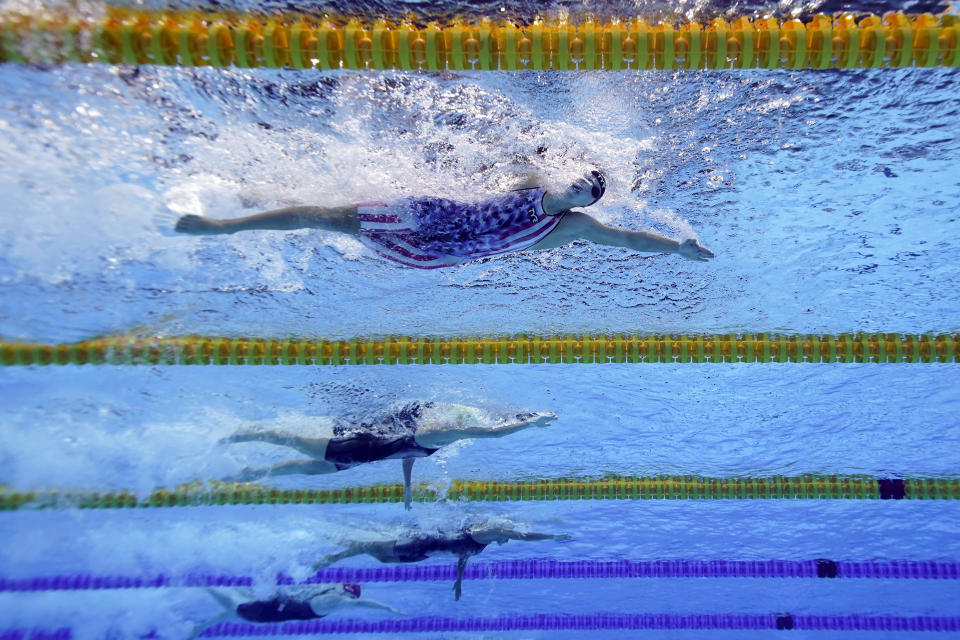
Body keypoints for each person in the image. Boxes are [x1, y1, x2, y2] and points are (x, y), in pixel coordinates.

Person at [174, 171, 715, 268]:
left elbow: (628, 240)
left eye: (588, 189)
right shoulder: (531, 184)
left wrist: (679, 248)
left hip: (436, 250)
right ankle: (242, 210)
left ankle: (228, 225)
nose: (579, 185)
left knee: (333, 221)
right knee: (332, 210)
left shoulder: (570, 228)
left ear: (585, 204)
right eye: (579, 177)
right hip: (435, 212)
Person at [221, 402, 556, 509]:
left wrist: (408, 488)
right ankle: (246, 433)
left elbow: (405, 455)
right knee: (296, 446)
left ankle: (252, 471)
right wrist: (530, 423)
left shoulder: (426, 436)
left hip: (361, 455)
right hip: (358, 451)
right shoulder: (439, 432)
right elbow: (493, 433)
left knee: (307, 468)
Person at [312, 523, 572, 600]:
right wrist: (552, 535)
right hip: (422, 543)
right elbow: (523, 536)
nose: (507, 539)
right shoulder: (483, 533)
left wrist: (458, 582)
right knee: (369, 546)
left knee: (380, 556)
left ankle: (341, 542)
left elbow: (462, 556)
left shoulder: (479, 549)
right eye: (506, 536)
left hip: (425, 553)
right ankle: (333, 554)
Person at [188, 583, 400, 638]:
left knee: (231, 602)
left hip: (263, 612)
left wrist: (387, 607)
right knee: (234, 608)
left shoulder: (332, 600)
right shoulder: (327, 596)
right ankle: (200, 628)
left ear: (344, 590)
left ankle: (198, 579)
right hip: (268, 611)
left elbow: (359, 604)